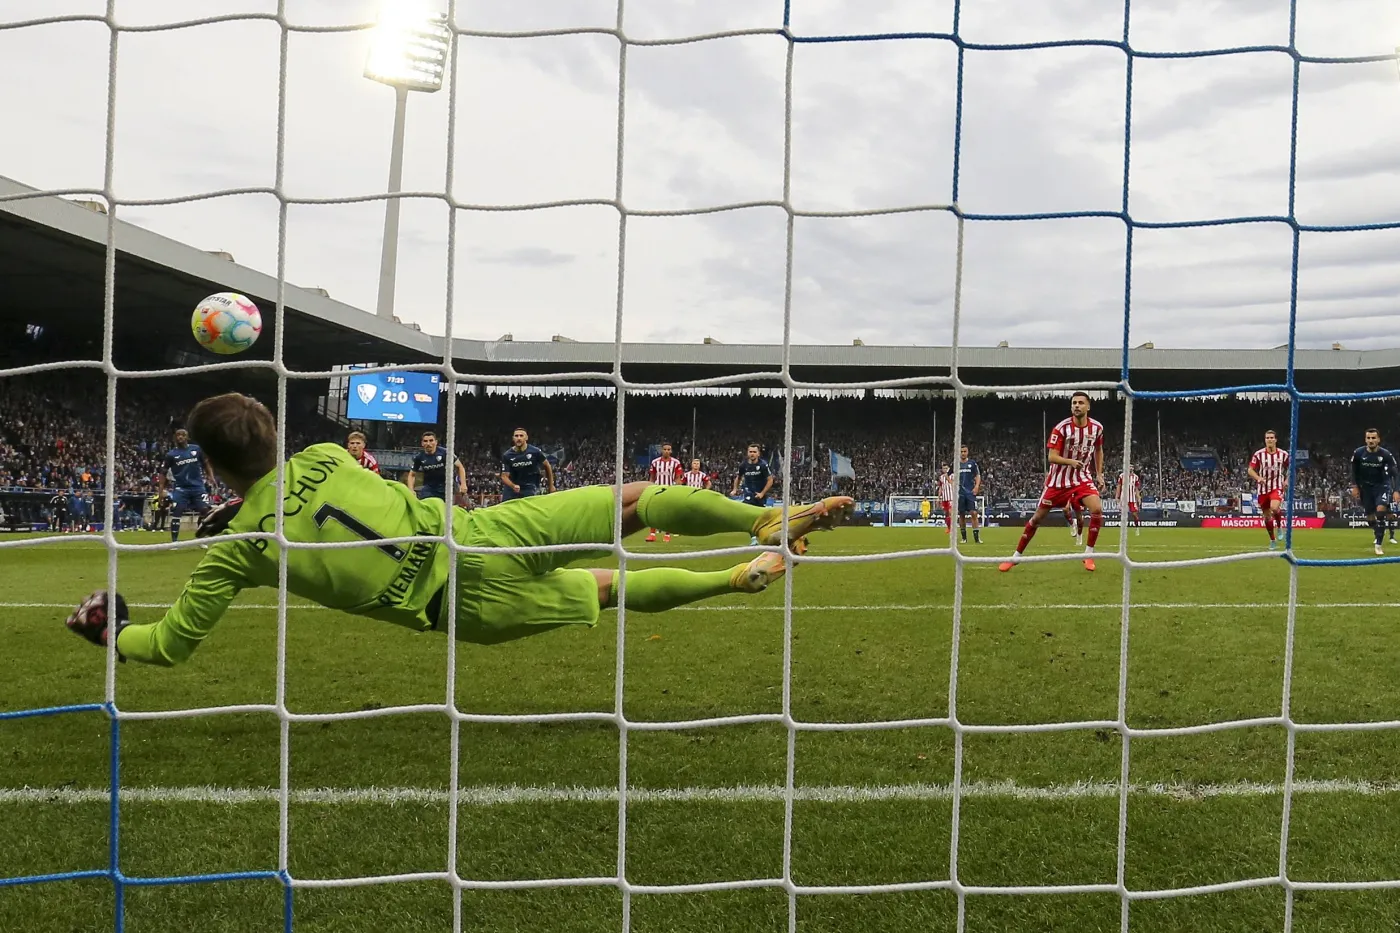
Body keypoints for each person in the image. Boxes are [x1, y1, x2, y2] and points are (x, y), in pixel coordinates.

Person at [61, 393, 856, 665]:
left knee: (612, 590)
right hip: (481, 531)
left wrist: (114, 630)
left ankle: (731, 578)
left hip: (458, 605)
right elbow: (303, 486)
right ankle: (762, 519)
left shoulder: (238, 548)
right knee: (638, 498)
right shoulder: (330, 454)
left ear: (209, 464)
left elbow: (169, 645)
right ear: (272, 429)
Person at [1000, 391, 1105, 573]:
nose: (1077, 406)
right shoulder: (1062, 428)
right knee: (1037, 519)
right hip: (1058, 482)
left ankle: (1088, 554)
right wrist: (1071, 462)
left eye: (1081, 403)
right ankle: (1015, 557)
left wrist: (1099, 473)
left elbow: (1098, 449)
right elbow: (1052, 457)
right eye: (1074, 403)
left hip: (1081, 478)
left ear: (1088, 406)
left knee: (1096, 509)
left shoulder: (1097, 428)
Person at [1350, 428, 1399, 556]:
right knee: (1370, 518)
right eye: (1368, 438)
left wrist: (1396, 490)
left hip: (1382, 486)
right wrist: (1354, 486)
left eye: (1373, 438)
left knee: (1381, 511)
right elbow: (1353, 470)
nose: (1371, 440)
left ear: (1378, 439)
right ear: (1365, 439)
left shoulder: (1385, 455)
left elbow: (1395, 473)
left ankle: (1378, 545)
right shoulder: (1359, 453)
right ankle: (1377, 531)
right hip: (1365, 488)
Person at [158, 428, 214, 543]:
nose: (180, 437)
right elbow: (163, 473)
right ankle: (174, 542)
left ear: (187, 437)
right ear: (175, 438)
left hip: (198, 487)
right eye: (178, 435)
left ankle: (201, 539)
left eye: (183, 435)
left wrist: (210, 476)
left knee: (205, 511)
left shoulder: (196, 449)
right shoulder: (171, 455)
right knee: (177, 512)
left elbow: (206, 464)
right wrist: (161, 490)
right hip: (181, 488)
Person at [1247, 430, 1289, 551]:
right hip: (1263, 489)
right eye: (1267, 438)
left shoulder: (1283, 454)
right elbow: (1250, 470)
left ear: (1276, 440)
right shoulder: (1259, 454)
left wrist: (1287, 480)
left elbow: (1292, 468)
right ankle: (1272, 539)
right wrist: (1258, 478)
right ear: (1265, 440)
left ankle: (1279, 527)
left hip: (1277, 486)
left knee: (1274, 508)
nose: (1269, 440)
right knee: (1267, 517)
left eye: (1271, 438)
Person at [406, 430, 467, 503]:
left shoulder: (445, 453)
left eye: (431, 440)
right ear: (422, 443)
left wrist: (463, 484)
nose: (428, 443)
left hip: (447, 487)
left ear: (436, 442)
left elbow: (460, 467)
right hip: (429, 488)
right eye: (425, 441)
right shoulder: (419, 457)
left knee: (449, 508)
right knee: (424, 505)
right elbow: (411, 475)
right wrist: (411, 490)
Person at [731, 444, 774, 545]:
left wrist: (762, 493)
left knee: (760, 517)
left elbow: (770, 480)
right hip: (748, 493)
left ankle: (763, 535)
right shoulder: (743, 465)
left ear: (758, 454)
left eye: (754, 452)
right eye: (750, 452)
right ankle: (754, 538)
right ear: (747, 453)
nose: (752, 454)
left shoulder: (763, 465)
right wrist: (735, 489)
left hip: (760, 494)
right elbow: (738, 477)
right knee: (746, 513)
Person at [500, 428, 554, 501]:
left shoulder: (535, 451)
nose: (519, 438)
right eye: (516, 436)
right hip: (512, 487)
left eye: (521, 436)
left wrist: (551, 485)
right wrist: (513, 486)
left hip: (529, 486)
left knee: (529, 506)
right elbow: (504, 476)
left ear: (526, 438)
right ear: (513, 438)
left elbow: (547, 465)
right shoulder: (507, 455)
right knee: (506, 506)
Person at [646, 443, 684, 542]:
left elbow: (678, 478)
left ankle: (667, 534)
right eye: (665, 449)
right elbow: (652, 477)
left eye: (669, 449)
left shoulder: (676, 463)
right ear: (661, 450)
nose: (667, 451)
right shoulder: (655, 462)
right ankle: (652, 534)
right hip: (657, 489)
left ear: (671, 451)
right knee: (654, 512)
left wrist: (677, 488)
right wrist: (650, 488)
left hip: (669, 490)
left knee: (668, 512)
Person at [957, 445, 982, 544]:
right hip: (960, 493)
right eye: (961, 451)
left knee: (974, 513)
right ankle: (964, 538)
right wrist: (953, 485)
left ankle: (977, 538)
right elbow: (948, 475)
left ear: (967, 452)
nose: (963, 453)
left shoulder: (972, 463)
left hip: (970, 492)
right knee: (961, 514)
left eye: (965, 451)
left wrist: (977, 486)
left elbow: (978, 475)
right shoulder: (956, 464)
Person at [1117, 467, 1142, 537]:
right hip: (1124, 498)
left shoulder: (1135, 477)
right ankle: (1123, 530)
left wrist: (1138, 498)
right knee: (1123, 514)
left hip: (1132, 499)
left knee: (1134, 514)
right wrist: (1117, 496)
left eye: (1131, 469)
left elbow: (1136, 489)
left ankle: (1137, 528)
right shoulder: (1122, 476)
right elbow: (1119, 486)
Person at [937, 464, 957, 535]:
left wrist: (947, 477)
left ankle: (953, 528)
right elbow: (940, 487)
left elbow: (954, 485)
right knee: (946, 514)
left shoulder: (953, 476)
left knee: (951, 512)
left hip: (951, 498)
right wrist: (938, 498)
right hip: (944, 498)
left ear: (948, 469)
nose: (945, 470)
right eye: (944, 468)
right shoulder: (941, 477)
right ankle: (948, 527)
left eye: (946, 468)